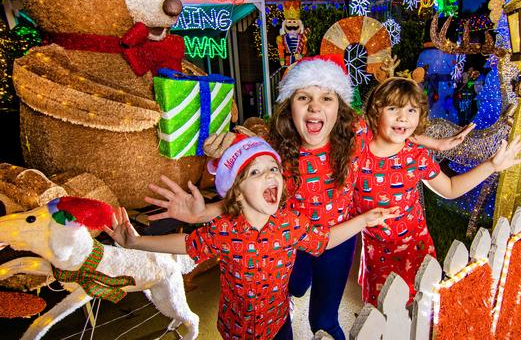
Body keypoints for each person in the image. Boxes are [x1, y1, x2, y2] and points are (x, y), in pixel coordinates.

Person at [144, 55, 473, 339]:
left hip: (336, 242)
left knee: (325, 320)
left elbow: (393, 127)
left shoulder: (355, 137)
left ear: (339, 108)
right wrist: (202, 215)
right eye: (304, 98)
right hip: (292, 243)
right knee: (287, 294)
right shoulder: (273, 154)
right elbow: (246, 196)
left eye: (326, 98)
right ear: (290, 106)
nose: (315, 106)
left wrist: (434, 144)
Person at [105, 135, 397, 340]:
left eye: (273, 169)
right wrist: (136, 242)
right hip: (236, 331)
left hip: (279, 327)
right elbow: (187, 245)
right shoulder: (225, 229)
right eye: (255, 172)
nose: (270, 175)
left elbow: (325, 239)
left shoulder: (290, 224)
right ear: (237, 192)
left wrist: (364, 220)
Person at [355, 77, 521, 306]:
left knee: (419, 311)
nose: (403, 117)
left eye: (411, 110)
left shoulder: (416, 156)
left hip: (416, 246)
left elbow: (451, 189)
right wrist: (436, 143)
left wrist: (491, 165)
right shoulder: (357, 147)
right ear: (376, 112)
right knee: (380, 313)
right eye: (393, 108)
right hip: (377, 253)